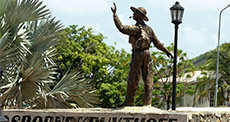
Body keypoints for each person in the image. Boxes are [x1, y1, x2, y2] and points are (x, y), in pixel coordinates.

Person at [111, 3, 173, 107]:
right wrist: (166, 51)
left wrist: (115, 15)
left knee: (133, 77)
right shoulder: (149, 29)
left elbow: (121, 28)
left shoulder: (136, 28)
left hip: (138, 54)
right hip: (147, 54)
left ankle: (129, 102)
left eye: (135, 12)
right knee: (148, 77)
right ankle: (147, 102)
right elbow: (157, 43)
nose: (133, 14)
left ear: (140, 16)